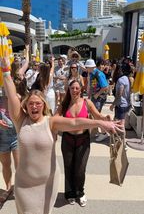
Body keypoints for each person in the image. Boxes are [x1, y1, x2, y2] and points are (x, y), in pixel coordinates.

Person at [1, 51, 122, 214]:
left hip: (47, 182)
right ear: (26, 106)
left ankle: (78, 192)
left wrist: (100, 122)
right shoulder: (20, 121)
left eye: (38, 103)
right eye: (31, 104)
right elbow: (11, 95)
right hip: (24, 183)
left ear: (43, 105)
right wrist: (6, 72)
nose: (34, 107)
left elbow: (75, 122)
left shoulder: (51, 122)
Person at [55, 79, 111, 207]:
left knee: (80, 168)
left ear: (81, 89)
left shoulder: (87, 102)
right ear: (68, 89)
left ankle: (80, 193)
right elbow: (55, 118)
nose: (74, 90)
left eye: (76, 88)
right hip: (68, 140)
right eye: (72, 88)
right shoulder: (64, 104)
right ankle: (70, 193)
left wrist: (105, 119)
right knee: (68, 167)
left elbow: (97, 115)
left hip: (83, 140)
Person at [0, 94, 18, 205]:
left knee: (20, 166)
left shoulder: (18, 97)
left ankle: (21, 189)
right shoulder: (0, 98)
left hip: (17, 136)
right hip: (2, 138)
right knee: (5, 164)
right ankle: (8, 188)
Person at [85, 59, 109, 142]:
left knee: (97, 116)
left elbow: (105, 86)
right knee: (96, 115)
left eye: (87, 67)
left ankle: (104, 133)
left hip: (99, 98)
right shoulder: (92, 73)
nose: (86, 69)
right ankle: (101, 131)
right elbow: (93, 86)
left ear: (90, 67)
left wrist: (96, 95)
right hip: (95, 97)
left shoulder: (98, 74)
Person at [110, 63, 132, 147]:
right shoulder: (127, 78)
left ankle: (122, 143)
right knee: (119, 123)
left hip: (121, 105)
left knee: (120, 125)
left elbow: (119, 94)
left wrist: (113, 104)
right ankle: (120, 141)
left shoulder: (121, 80)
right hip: (126, 104)